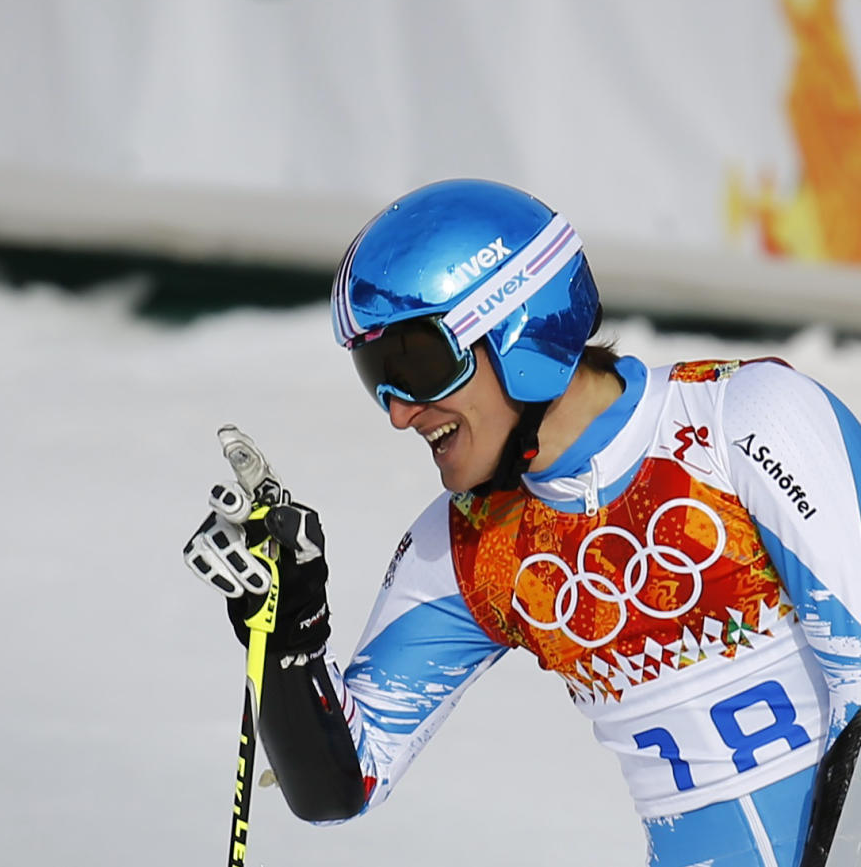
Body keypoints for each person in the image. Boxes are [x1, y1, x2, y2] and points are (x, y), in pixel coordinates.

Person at [184, 178, 861, 867]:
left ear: (519, 326)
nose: (398, 410)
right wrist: (288, 633)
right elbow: (338, 786)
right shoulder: (468, 547)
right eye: (375, 374)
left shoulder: (740, 419)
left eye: (415, 363)